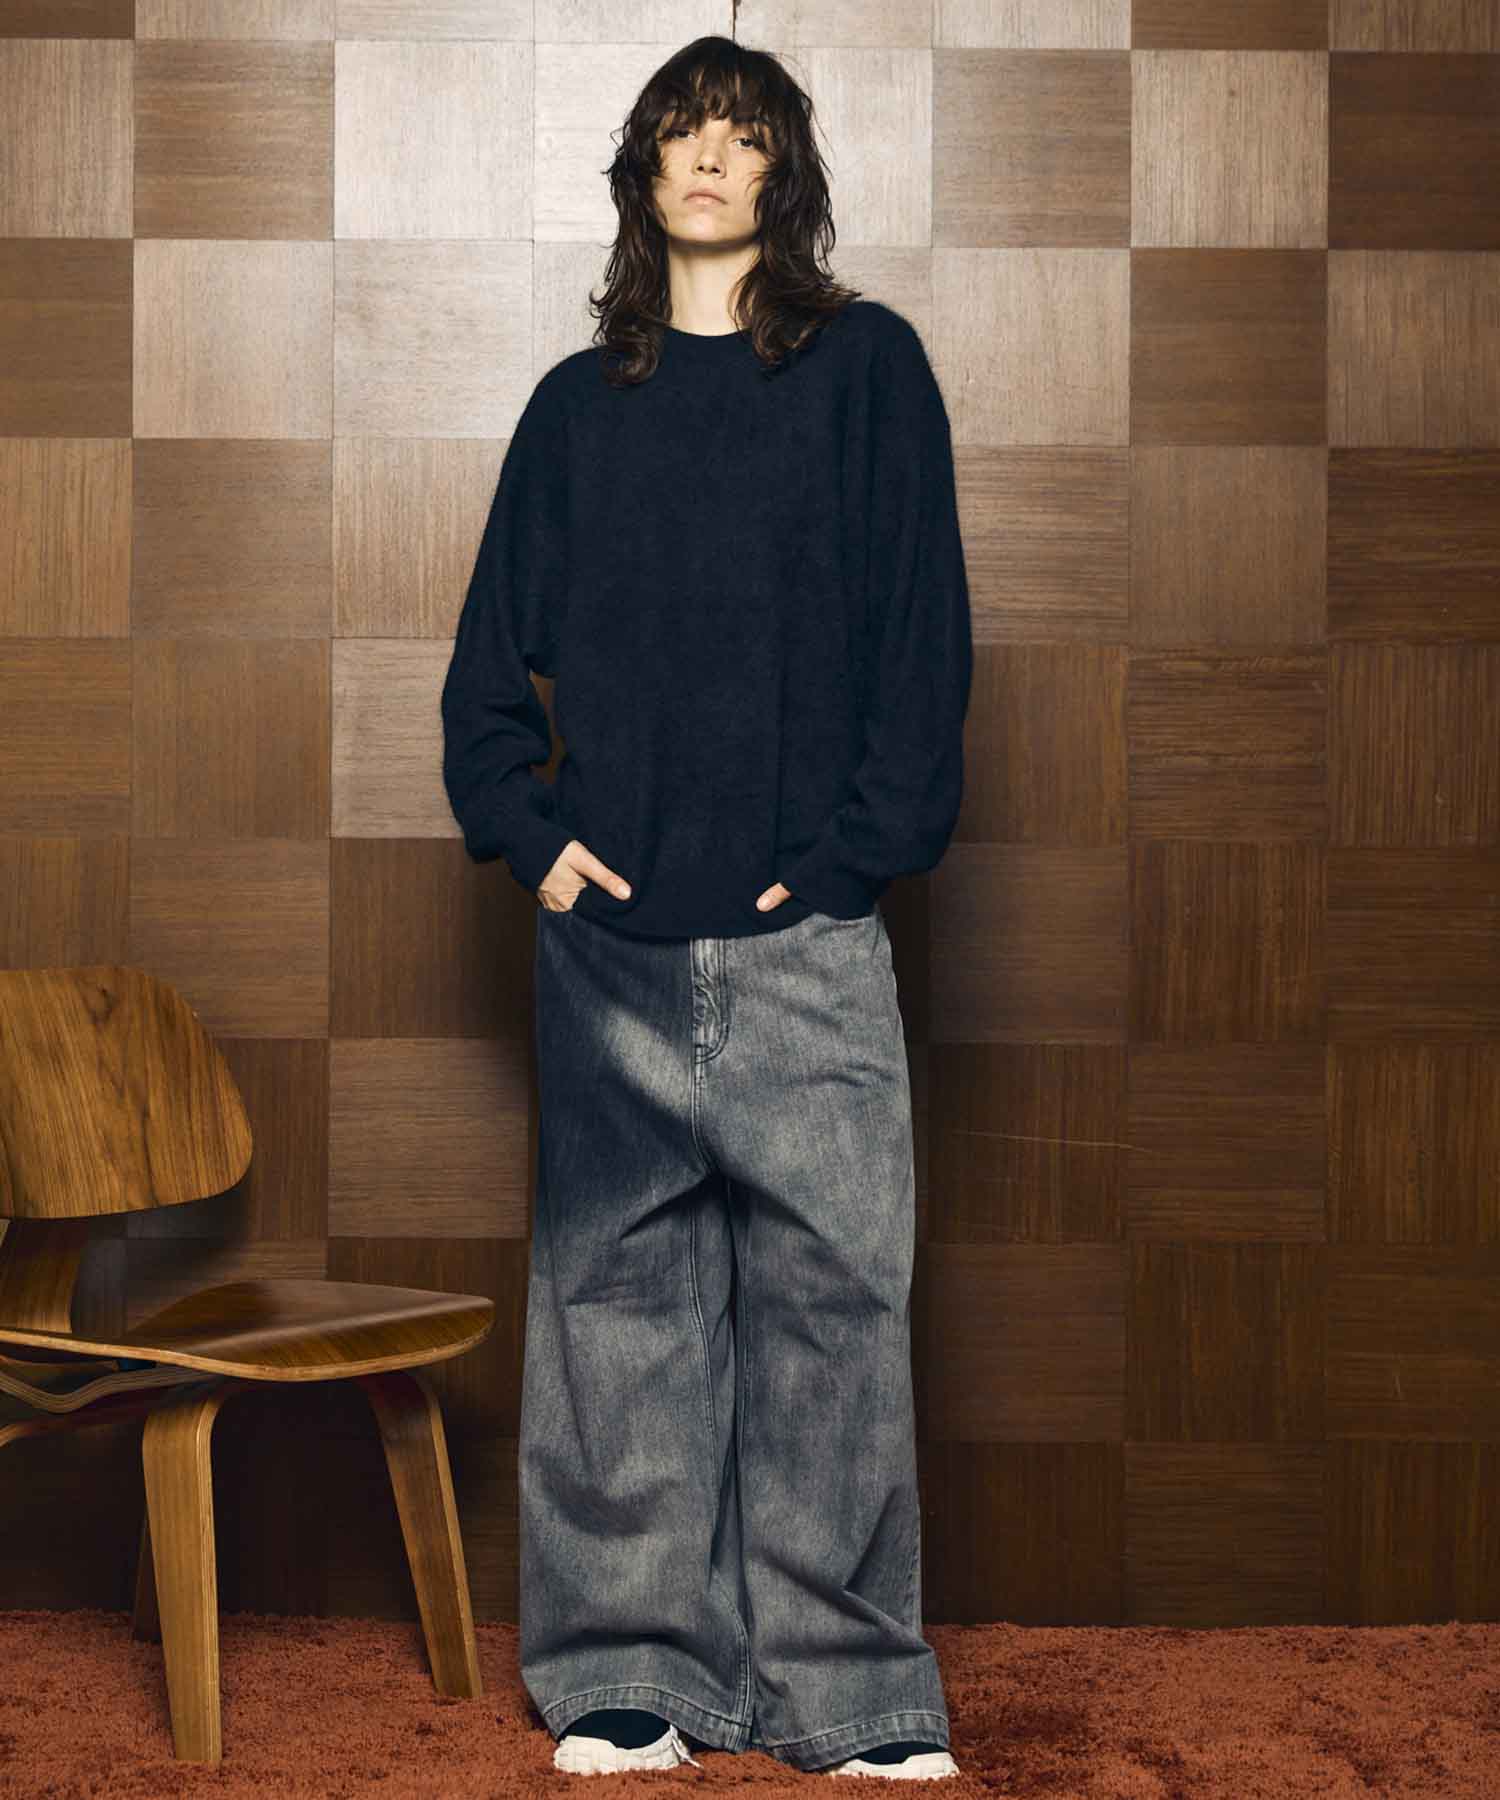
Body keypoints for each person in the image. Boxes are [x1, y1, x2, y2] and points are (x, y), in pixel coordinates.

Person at [440, 33, 971, 1783]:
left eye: (742, 135)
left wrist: (852, 860)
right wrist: (535, 840)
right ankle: (626, 1669)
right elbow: (483, 691)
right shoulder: (574, 408)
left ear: (782, 174)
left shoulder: (869, 372)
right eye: (680, 130)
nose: (710, 157)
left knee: (836, 1314)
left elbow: (924, 645)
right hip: (610, 952)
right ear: (644, 169)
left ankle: (853, 1694)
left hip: (810, 942)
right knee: (614, 1317)